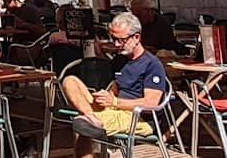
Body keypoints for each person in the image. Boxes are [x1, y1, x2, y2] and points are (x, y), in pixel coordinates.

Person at [59, 11, 167, 157]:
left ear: (136, 37)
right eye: (113, 38)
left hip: (139, 117)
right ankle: (90, 116)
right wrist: (104, 97)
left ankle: (90, 121)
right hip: (115, 109)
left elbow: (151, 104)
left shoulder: (152, 64)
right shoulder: (120, 60)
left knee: (83, 126)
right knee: (70, 80)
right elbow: (115, 90)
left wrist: (114, 102)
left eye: (121, 40)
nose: (116, 44)